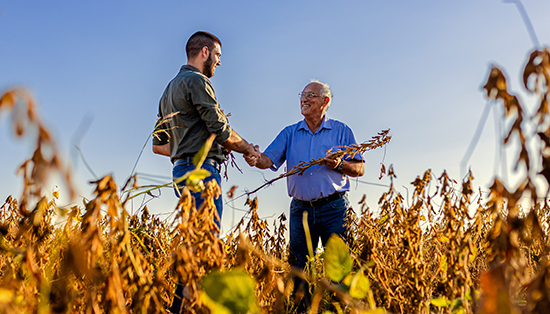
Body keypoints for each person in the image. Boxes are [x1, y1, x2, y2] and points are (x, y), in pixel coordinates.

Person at [152, 30, 259, 313]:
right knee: (205, 247)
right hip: (202, 174)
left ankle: (178, 308)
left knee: (192, 245)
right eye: (218, 55)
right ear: (204, 53)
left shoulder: (168, 91)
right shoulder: (197, 81)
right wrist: (247, 148)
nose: (219, 62)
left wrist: (186, 148)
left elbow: (158, 145)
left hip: (181, 172)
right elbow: (221, 129)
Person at [245, 80, 364, 311]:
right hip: (301, 211)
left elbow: (359, 168)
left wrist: (340, 164)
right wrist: (254, 157)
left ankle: (340, 309)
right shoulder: (290, 133)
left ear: (325, 101)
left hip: (334, 209)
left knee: (339, 269)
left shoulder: (341, 131)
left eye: (311, 95)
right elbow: (267, 161)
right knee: (300, 270)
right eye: (302, 95)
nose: (304, 99)